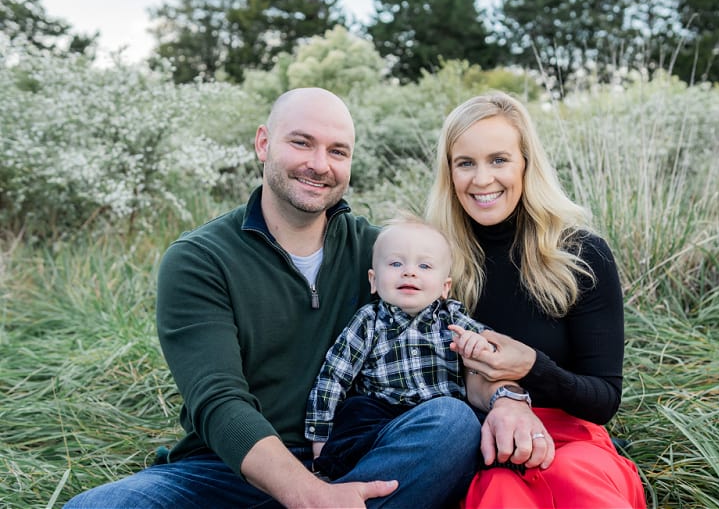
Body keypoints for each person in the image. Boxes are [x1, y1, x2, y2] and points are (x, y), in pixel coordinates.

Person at [64, 87, 482, 509]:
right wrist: (309, 495)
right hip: (225, 471)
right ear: (263, 143)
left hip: (350, 456)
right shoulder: (200, 259)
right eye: (301, 142)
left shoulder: (383, 255)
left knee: (452, 423)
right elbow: (218, 401)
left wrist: (507, 398)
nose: (319, 164)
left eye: (338, 151)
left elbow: (459, 334)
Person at [426, 92, 647, 508]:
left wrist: (531, 366)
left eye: (499, 159)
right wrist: (502, 399)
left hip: (572, 441)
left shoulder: (580, 255)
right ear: (449, 173)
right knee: (500, 493)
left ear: (526, 163)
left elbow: (604, 399)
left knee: (574, 480)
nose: (482, 179)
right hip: (484, 443)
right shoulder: (434, 262)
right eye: (465, 163)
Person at [306, 216, 491, 480]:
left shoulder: (452, 317)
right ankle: (344, 479)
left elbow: (492, 344)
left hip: (440, 418)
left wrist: (479, 344)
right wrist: (319, 441)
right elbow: (333, 378)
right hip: (381, 418)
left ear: (445, 287)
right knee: (354, 419)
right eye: (395, 263)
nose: (409, 272)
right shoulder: (368, 321)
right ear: (373, 280)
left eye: (425, 265)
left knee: (473, 429)